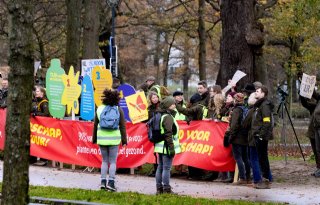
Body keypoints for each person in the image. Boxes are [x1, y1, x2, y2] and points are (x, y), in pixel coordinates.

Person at [92, 89, 127, 192]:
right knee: (112, 162)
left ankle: (103, 182)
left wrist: (94, 139)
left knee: (104, 161)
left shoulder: (99, 109)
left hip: (102, 139)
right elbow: (122, 126)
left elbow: (95, 125)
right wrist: (124, 141)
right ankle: (111, 183)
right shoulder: (118, 109)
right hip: (114, 140)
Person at [154, 96, 181, 194]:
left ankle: (159, 188)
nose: (175, 105)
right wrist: (171, 148)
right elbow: (168, 134)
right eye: (173, 103)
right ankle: (166, 189)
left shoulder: (162, 115)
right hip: (166, 147)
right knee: (166, 168)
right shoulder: (168, 117)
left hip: (160, 146)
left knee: (160, 167)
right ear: (169, 105)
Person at [243, 92, 267, 189]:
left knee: (253, 159)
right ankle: (266, 177)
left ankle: (257, 179)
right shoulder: (261, 108)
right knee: (260, 158)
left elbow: (245, 124)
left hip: (253, 137)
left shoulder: (252, 111)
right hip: (258, 136)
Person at [251, 86, 274, 188]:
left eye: (257, 91)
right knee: (261, 158)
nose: (255, 93)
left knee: (262, 159)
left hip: (261, 136)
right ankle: (265, 180)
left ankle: (265, 181)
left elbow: (267, 122)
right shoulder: (260, 105)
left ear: (263, 93)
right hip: (258, 135)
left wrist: (261, 136)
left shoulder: (265, 105)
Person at [228, 93, 250, 185]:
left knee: (238, 158)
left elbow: (234, 126)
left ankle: (242, 178)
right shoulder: (246, 109)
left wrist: (231, 137)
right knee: (245, 158)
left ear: (236, 100)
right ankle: (248, 176)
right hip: (245, 137)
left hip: (237, 137)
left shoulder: (236, 110)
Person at [30, 85, 50, 166]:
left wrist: (35, 114)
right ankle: (32, 158)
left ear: (42, 93)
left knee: (42, 142)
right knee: (34, 142)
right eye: (35, 91)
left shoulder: (44, 102)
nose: (36, 93)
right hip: (35, 127)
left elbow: (46, 114)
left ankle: (44, 160)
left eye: (37, 91)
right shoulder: (35, 101)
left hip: (43, 127)